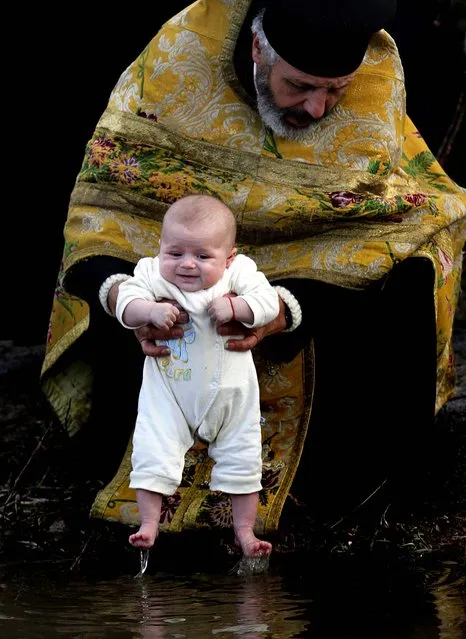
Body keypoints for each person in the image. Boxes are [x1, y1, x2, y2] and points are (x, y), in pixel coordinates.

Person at [41, 0, 465, 543]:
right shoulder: (180, 56)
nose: (317, 109)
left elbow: (382, 221)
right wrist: (128, 300)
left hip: (310, 282)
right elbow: (104, 209)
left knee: (422, 260)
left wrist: (284, 310)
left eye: (335, 91)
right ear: (259, 48)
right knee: (137, 279)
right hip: (172, 295)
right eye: (300, 86)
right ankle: (129, 471)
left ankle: (346, 488)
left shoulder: (376, 76)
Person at [115, 194, 278, 555]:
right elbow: (125, 301)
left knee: (244, 459)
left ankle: (245, 531)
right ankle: (149, 524)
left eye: (203, 256)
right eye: (175, 253)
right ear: (160, 249)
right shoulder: (151, 272)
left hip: (232, 397)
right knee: (152, 450)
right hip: (170, 395)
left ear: (229, 256)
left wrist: (237, 306)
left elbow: (269, 304)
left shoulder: (240, 273)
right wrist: (148, 311)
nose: (187, 265)